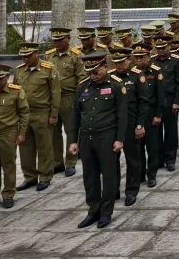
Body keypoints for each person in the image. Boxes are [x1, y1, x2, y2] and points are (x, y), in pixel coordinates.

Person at [68, 50, 128, 229]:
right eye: (89, 72)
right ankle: (93, 210)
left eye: (96, 71)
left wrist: (120, 139)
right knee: (89, 176)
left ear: (104, 66)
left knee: (109, 176)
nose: (93, 76)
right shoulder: (82, 87)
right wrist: (72, 140)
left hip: (107, 136)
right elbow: (75, 116)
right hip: (87, 137)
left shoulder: (117, 85)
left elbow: (122, 115)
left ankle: (106, 212)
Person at [13, 42, 60, 192]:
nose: (25, 58)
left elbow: (55, 93)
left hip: (42, 113)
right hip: (24, 115)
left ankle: (45, 176)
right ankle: (29, 177)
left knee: (44, 146)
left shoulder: (48, 69)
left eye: (28, 55)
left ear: (36, 54)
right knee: (25, 148)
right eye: (23, 56)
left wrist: (53, 114)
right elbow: (14, 93)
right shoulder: (19, 71)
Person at [0, 63, 29, 210]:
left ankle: (9, 194)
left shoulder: (15, 92)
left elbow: (24, 113)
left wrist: (21, 133)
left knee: (8, 165)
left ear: (7, 77)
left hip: (8, 133)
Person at [45, 27, 85, 178]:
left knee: (71, 131)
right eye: (55, 40)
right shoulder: (49, 56)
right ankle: (57, 163)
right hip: (52, 99)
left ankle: (70, 163)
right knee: (54, 133)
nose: (57, 43)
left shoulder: (76, 56)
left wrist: (79, 99)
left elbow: (81, 78)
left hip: (70, 97)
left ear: (68, 39)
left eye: (60, 40)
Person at [110, 47, 148, 206]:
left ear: (129, 60)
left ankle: (132, 191)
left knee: (133, 159)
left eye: (122, 62)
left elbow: (143, 102)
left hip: (132, 123)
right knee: (112, 160)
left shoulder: (137, 76)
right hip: (114, 124)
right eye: (116, 62)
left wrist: (140, 124)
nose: (119, 65)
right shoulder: (110, 77)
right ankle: (114, 191)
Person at [131, 43, 165, 188]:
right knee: (138, 147)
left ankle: (152, 174)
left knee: (152, 147)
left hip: (151, 113)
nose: (139, 60)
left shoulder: (156, 71)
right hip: (137, 114)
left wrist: (158, 115)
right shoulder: (131, 73)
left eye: (142, 57)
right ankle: (140, 174)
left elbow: (160, 95)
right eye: (136, 57)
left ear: (148, 56)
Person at [151, 38, 179, 171]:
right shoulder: (152, 62)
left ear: (168, 47)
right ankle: (159, 158)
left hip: (170, 101)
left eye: (163, 48)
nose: (161, 51)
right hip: (157, 103)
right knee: (156, 132)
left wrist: (176, 102)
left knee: (171, 132)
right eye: (158, 48)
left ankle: (170, 159)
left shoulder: (176, 61)